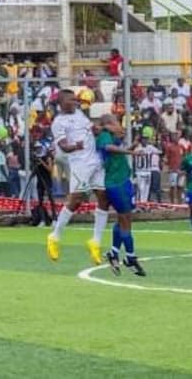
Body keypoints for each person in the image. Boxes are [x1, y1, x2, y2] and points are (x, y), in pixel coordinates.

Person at [46, 89, 110, 265]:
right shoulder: (58, 123)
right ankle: (55, 236)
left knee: (104, 198)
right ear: (61, 103)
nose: (75, 102)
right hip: (79, 163)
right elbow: (65, 147)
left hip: (95, 161)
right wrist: (77, 145)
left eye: (75, 99)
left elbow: (92, 129)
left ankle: (95, 242)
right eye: (71, 100)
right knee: (76, 200)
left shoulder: (80, 114)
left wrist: (101, 128)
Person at [97, 115, 146, 277]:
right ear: (109, 124)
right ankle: (130, 257)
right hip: (116, 183)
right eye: (116, 121)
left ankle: (114, 252)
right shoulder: (104, 136)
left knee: (123, 219)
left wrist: (134, 145)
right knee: (126, 220)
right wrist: (130, 151)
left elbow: (116, 153)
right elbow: (109, 149)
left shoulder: (112, 136)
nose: (119, 125)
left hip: (123, 180)